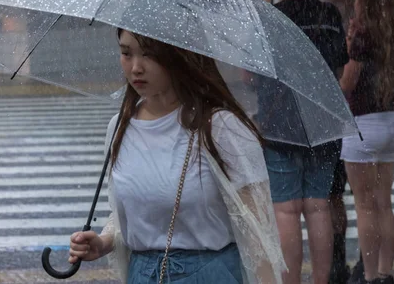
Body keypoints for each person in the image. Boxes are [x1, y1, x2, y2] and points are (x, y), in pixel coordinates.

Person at [68, 28, 286, 283]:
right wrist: (105, 241)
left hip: (209, 274)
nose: (136, 67)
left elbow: (257, 233)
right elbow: (134, 209)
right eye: (126, 53)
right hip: (143, 275)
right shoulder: (119, 127)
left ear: (178, 54)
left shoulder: (221, 128)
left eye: (149, 54)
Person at [262, 0, 348, 284]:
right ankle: (322, 281)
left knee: (285, 210)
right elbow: (338, 68)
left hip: (279, 123)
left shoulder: (270, 18)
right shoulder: (328, 14)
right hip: (322, 123)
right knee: (318, 204)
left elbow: (249, 73)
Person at [340, 0, 394, 284]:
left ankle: (371, 275)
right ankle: (386, 273)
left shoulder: (362, 36)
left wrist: (349, 44)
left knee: (364, 206)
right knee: (384, 202)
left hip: (364, 124)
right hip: (392, 122)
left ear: (365, 4)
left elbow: (348, 84)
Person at [318, 0, 356, 284]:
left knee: (328, 197)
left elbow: (345, 72)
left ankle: (335, 261)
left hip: (329, 112)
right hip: (332, 113)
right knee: (330, 197)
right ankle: (335, 262)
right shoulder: (327, 9)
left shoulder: (329, 9)